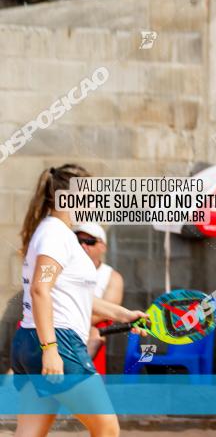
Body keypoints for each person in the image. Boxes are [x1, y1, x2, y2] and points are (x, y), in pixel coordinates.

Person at [12, 164, 148, 437]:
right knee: (107, 429)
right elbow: (40, 288)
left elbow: (72, 293)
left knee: (29, 433)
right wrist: (50, 349)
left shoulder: (53, 232)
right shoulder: (56, 235)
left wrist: (123, 314)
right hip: (56, 342)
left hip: (31, 341)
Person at [73, 222, 123, 368]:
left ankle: (76, 375)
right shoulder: (63, 268)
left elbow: (108, 312)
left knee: (96, 332)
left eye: (89, 241)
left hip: (89, 325)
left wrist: (75, 323)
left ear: (103, 247)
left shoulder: (112, 276)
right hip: (61, 323)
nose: (83, 246)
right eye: (78, 241)